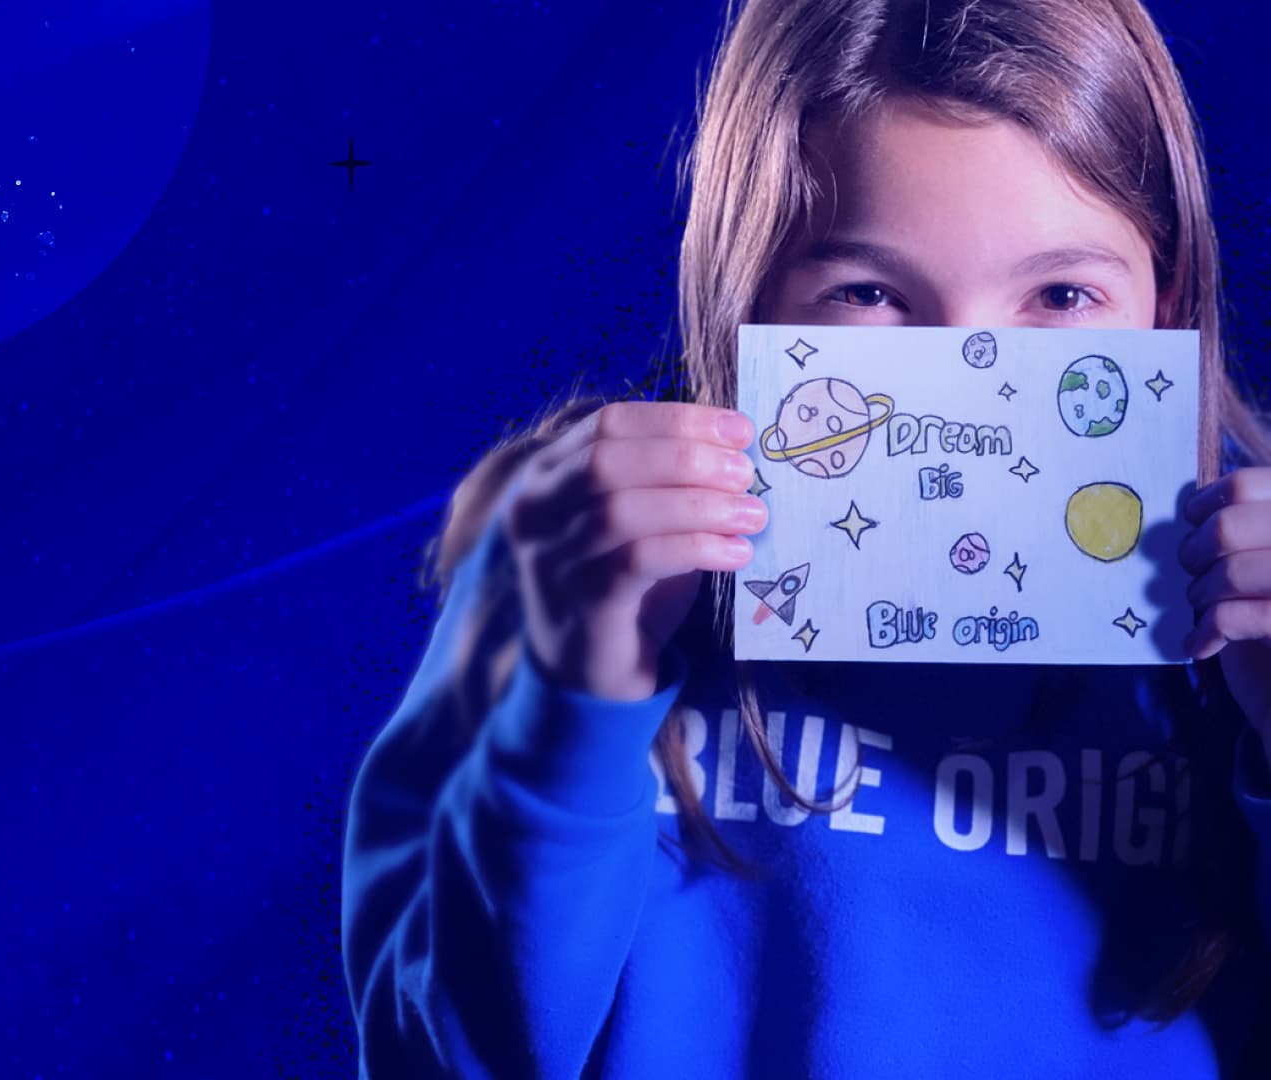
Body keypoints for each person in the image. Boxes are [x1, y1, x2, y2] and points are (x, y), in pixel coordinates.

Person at [339, 0, 1271, 1075]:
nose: (967, 380)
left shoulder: (1239, 590)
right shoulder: (569, 558)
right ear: (748, 296)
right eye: (868, 294)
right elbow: (433, 1060)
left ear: (1167, 299)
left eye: (1062, 294)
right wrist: (572, 694)